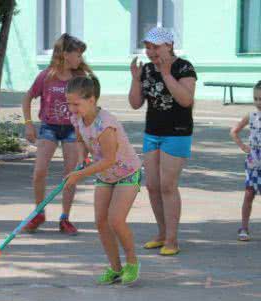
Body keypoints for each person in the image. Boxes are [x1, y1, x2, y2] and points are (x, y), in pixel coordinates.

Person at [65, 76, 142, 285]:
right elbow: (80, 139)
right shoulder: (77, 118)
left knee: (115, 220)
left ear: (92, 100)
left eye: (76, 104)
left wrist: (79, 175)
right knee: (100, 221)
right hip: (104, 175)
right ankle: (115, 268)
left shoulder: (105, 124)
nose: (72, 109)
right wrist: (82, 158)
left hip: (126, 172)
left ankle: (132, 263)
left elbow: (110, 159)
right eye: (69, 103)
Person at [128, 27, 197, 256]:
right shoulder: (147, 69)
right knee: (153, 186)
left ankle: (172, 239)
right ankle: (161, 233)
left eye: (155, 47)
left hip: (177, 133)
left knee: (168, 186)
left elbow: (186, 100)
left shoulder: (183, 67)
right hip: (152, 132)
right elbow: (135, 104)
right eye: (147, 47)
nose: (151, 52)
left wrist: (167, 74)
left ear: (169, 45)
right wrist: (136, 80)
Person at [21, 34, 91, 235]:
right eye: (77, 54)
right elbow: (27, 98)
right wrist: (28, 125)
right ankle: (39, 213)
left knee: (70, 176)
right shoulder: (46, 76)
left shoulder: (80, 80)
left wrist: (86, 140)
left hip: (72, 130)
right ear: (65, 54)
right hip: (49, 127)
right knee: (39, 171)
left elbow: (88, 109)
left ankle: (65, 218)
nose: (80, 58)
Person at [230, 81, 261, 242]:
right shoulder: (251, 116)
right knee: (249, 194)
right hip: (253, 161)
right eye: (256, 98)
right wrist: (243, 146)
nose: (258, 102)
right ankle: (244, 227)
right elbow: (234, 131)